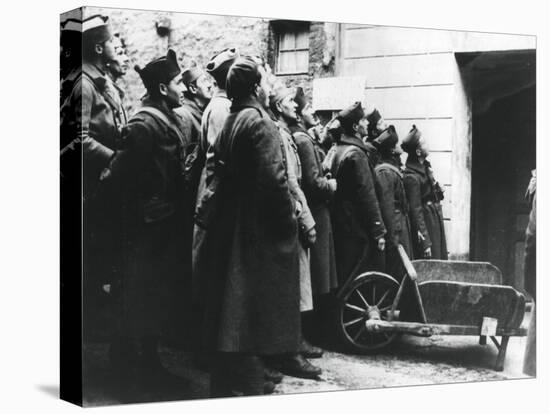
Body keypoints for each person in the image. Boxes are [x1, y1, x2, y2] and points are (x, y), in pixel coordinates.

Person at [194, 56, 301, 396]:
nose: (270, 89)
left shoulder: (234, 117)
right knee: (255, 310)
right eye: (266, 83)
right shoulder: (259, 121)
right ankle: (250, 380)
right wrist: (288, 221)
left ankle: (231, 380)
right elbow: (274, 180)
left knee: (234, 307)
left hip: (234, 222)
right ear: (255, 87)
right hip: (256, 228)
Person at [104, 49, 188, 391]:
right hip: (144, 231)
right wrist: (141, 209)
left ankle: (150, 366)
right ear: (163, 88)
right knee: (136, 301)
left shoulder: (167, 117)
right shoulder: (143, 124)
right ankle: (125, 378)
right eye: (179, 82)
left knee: (154, 301)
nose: (183, 88)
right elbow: (116, 178)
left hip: (162, 229)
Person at [269, 82, 323, 379]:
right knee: (292, 286)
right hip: (290, 216)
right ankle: (288, 353)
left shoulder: (286, 134)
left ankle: (293, 346)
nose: (297, 106)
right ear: (279, 106)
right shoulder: (280, 134)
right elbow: (291, 182)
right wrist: (308, 221)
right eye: (291, 101)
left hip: (293, 214)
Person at [326, 102, 387, 285]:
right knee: (357, 274)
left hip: (341, 222)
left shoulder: (337, 149)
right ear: (355, 127)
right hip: (356, 225)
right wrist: (378, 231)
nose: (367, 124)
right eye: (363, 121)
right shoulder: (357, 154)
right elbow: (367, 195)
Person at [402, 125, 448, 260]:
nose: (428, 145)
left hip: (434, 218)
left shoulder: (426, 167)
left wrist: (438, 190)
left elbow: (432, 194)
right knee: (432, 261)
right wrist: (425, 242)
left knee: (439, 258)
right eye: (424, 143)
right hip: (428, 223)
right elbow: (416, 212)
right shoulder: (411, 176)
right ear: (418, 152)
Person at [374, 125, 413, 277]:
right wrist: (392, 240)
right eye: (395, 146)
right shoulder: (385, 172)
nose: (398, 150)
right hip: (395, 231)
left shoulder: (390, 170)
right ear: (391, 151)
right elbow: (387, 208)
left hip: (399, 227)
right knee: (397, 270)